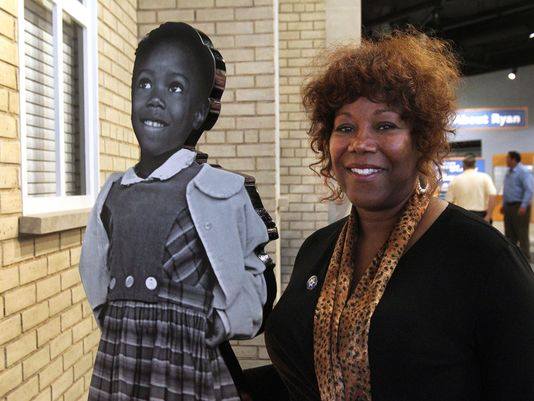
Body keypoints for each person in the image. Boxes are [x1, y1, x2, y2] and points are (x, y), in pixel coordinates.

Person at [260, 31, 534, 401]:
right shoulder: (318, 249)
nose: (360, 143)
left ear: (421, 140)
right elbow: (302, 368)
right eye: (345, 127)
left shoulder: (483, 258)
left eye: (385, 125)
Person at [79, 22, 269, 401]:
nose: (155, 98)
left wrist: (228, 319)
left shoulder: (222, 190)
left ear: (199, 113)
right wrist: (111, 315)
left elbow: (257, 268)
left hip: (186, 357)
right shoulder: (114, 192)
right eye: (144, 84)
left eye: (175, 88)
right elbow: (94, 263)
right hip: (122, 354)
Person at [501, 150, 533, 262]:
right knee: (509, 234)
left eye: (507, 158)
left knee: (522, 233)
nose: (506, 160)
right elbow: (507, 190)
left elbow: (529, 190)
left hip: (519, 207)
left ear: (513, 159)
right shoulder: (509, 172)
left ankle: (525, 260)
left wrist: (524, 206)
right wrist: (503, 205)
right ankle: (513, 259)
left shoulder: (523, 171)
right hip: (509, 207)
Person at [445, 153, 497, 222]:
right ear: (474, 165)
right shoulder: (485, 177)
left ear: (463, 166)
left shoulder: (455, 180)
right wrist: (488, 215)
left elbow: (448, 201)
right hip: (481, 215)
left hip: (462, 215)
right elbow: (492, 196)